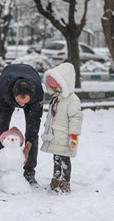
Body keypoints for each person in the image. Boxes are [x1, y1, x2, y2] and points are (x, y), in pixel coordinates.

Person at [0, 64, 44, 187]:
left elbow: (35, 121)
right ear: (14, 94)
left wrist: (28, 145)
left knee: (32, 134)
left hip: (31, 95)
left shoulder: (37, 91)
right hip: (6, 98)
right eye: (19, 102)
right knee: (1, 129)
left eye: (25, 103)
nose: (22, 106)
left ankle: (29, 172)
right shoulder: (2, 88)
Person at [40, 62, 83, 194]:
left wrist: (74, 136)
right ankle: (56, 179)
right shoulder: (56, 98)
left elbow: (76, 118)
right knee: (56, 159)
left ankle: (65, 182)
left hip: (64, 137)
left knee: (64, 160)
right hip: (55, 137)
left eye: (57, 87)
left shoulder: (72, 100)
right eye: (52, 87)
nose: (54, 89)